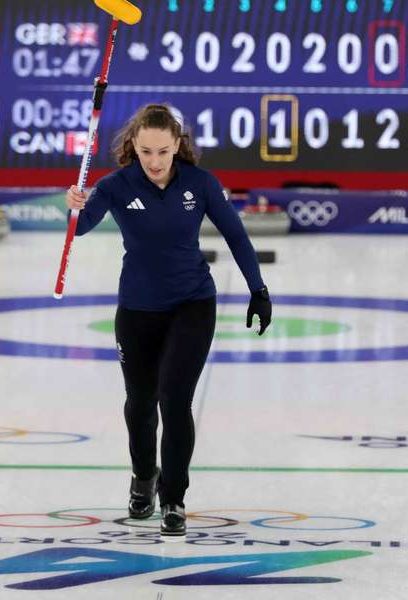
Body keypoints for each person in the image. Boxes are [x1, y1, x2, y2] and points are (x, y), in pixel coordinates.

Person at [65, 103, 272, 537]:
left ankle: (174, 497)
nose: (155, 162)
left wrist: (258, 289)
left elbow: (235, 233)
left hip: (192, 303)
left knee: (174, 401)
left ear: (177, 145)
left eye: (163, 151)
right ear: (133, 148)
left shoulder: (200, 183)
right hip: (138, 308)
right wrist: (74, 205)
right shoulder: (116, 185)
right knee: (139, 404)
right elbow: (80, 227)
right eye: (146, 153)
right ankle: (144, 478)